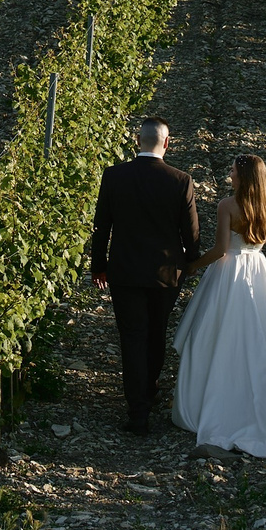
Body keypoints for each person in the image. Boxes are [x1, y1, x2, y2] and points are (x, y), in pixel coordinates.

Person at [171, 153, 266, 458]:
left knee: (215, 335)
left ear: (243, 177)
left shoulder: (228, 206)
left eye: (232, 172)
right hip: (258, 274)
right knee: (260, 338)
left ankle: (210, 402)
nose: (229, 176)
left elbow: (220, 250)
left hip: (229, 274)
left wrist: (193, 266)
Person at [89, 117, 200, 436]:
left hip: (124, 272)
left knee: (132, 338)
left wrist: (99, 266)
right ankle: (149, 391)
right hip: (166, 274)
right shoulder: (181, 180)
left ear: (138, 140)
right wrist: (190, 263)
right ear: (167, 143)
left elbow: (102, 226)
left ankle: (138, 411)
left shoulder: (114, 176)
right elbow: (190, 233)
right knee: (156, 332)